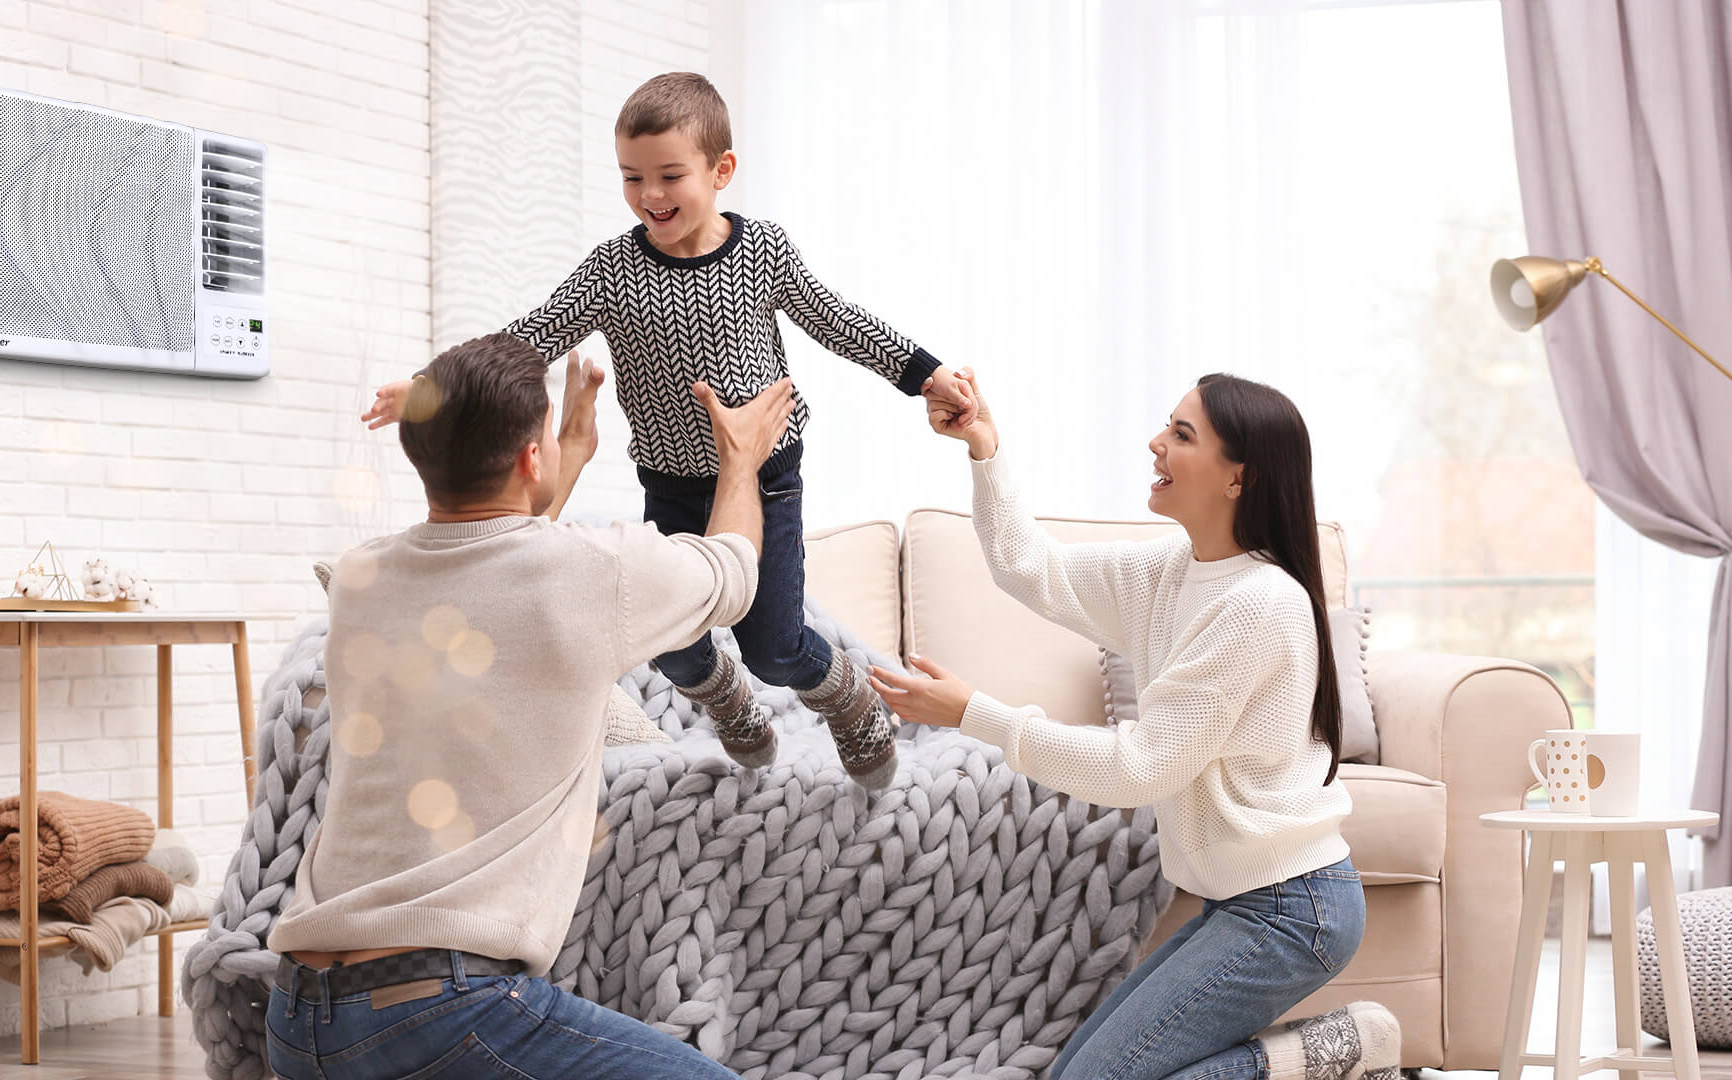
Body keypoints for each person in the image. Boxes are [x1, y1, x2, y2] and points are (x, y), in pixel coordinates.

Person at [360, 72, 976, 789]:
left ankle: (846, 696)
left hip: (765, 475)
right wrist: (433, 388)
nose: (650, 195)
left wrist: (926, 375)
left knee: (774, 648)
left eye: (669, 176)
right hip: (674, 482)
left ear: (721, 171)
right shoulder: (613, 270)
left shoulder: (763, 252)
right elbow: (533, 337)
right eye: (631, 178)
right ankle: (730, 703)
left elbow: (837, 320)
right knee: (676, 649)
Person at [265, 333, 794, 1079]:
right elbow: (734, 571)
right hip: (445, 1015)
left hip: (299, 1021)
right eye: (543, 438)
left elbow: (495, 558)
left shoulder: (361, 578)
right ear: (528, 460)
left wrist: (564, 444)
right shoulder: (591, 574)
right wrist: (740, 459)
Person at [873, 370, 1402, 1080]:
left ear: (1238, 478)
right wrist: (983, 447)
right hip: (1246, 903)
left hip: (1292, 911)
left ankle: (1329, 1053)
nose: (1156, 443)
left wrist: (973, 713)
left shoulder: (1258, 604)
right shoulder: (1174, 570)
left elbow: (1138, 769)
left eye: (1182, 435)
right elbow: (1033, 569)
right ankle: (1314, 1053)